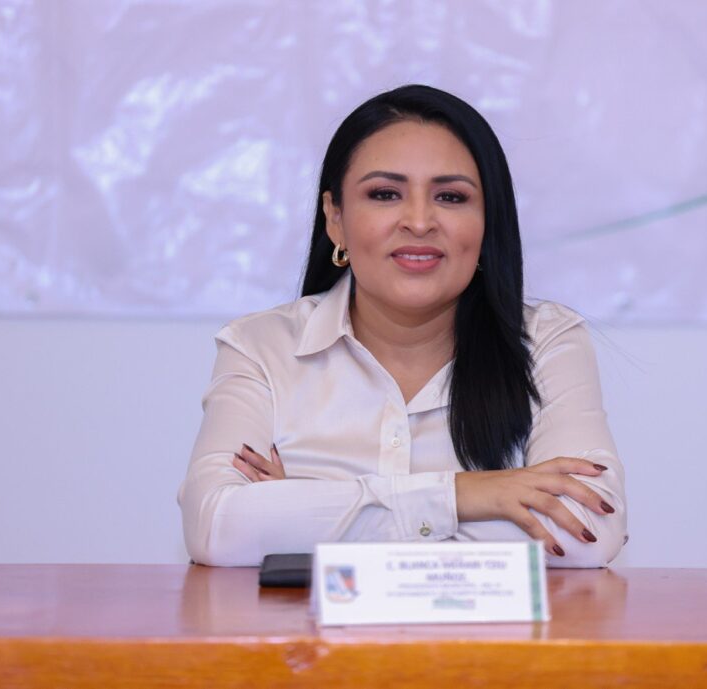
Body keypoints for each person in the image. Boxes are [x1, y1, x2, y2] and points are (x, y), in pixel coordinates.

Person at [178, 84, 627, 567]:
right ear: (335, 217)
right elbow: (215, 527)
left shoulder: (545, 341)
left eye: (450, 196)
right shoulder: (261, 347)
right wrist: (466, 494)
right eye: (385, 194)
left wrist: (304, 513)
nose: (419, 221)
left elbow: (588, 533)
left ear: (487, 221)